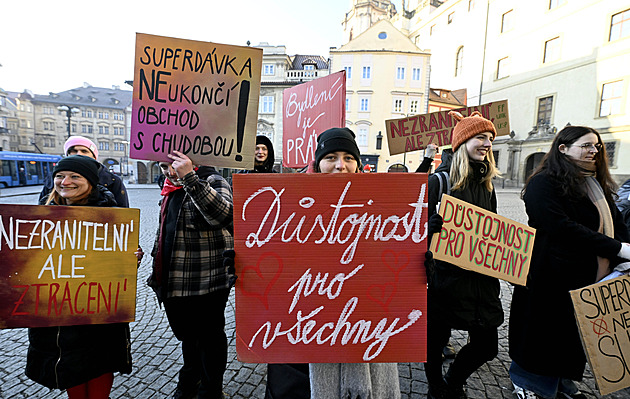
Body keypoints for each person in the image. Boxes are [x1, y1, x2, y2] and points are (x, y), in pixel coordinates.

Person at [509, 126, 630, 399]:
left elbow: (616, 220)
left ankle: (562, 384)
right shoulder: (543, 182)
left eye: (597, 146)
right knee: (542, 337)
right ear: (562, 148)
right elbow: (559, 226)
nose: (594, 151)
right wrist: (617, 248)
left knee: (571, 337)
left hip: (589, 276)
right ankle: (530, 386)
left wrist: (621, 253)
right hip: (549, 277)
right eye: (586, 145)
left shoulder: (593, 182)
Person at [25, 155, 133, 399]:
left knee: (99, 361)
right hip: (58, 308)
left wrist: (131, 256)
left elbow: (121, 263)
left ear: (91, 182)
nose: (66, 182)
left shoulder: (111, 215)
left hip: (98, 307)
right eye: (60, 176)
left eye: (75, 176)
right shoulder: (39, 215)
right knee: (68, 362)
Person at [308, 127, 401, 399]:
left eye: (349, 157)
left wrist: (418, 264)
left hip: (372, 325)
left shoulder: (382, 204)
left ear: (359, 165)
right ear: (318, 164)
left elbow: (392, 260)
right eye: (331, 157)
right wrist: (248, 267)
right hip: (320, 327)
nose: (341, 165)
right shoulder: (298, 207)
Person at [424, 111, 502, 399]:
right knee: (435, 341)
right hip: (446, 279)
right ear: (462, 142)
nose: (488, 144)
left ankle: (453, 381)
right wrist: (426, 227)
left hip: (482, 280)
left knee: (487, 346)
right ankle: (436, 388)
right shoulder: (439, 182)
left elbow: (493, 231)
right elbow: (408, 231)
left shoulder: (488, 185)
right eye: (481, 137)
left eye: (490, 138)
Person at [147, 150, 234, 399]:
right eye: (163, 167)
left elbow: (224, 217)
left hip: (207, 282)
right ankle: (190, 379)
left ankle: (210, 390)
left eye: (173, 165)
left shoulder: (212, 180)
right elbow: (165, 229)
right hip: (174, 281)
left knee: (210, 338)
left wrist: (191, 181)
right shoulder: (168, 188)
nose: (169, 172)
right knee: (189, 337)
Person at [39, 135, 129, 207]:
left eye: (84, 151)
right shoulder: (51, 183)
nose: (65, 182)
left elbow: (123, 217)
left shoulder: (111, 181)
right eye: (73, 151)